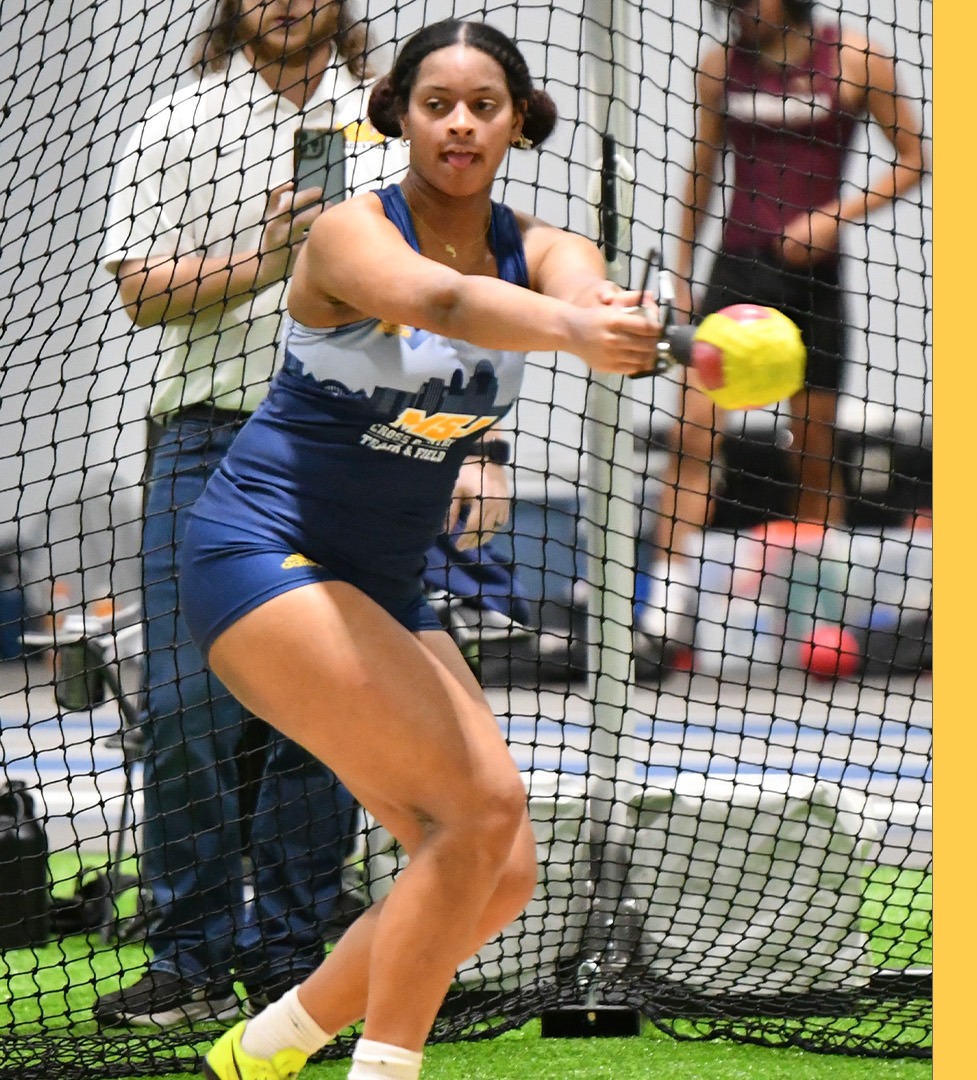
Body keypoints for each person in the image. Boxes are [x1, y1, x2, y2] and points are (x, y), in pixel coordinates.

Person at [179, 18, 660, 1080]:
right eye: (436, 102)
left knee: (501, 866)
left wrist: (618, 320)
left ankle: (266, 1048)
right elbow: (441, 303)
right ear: (395, 113)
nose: (459, 123)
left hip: (386, 584)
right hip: (263, 555)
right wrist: (576, 334)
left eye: (483, 106)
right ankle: (386, 1070)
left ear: (517, 124)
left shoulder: (543, 247)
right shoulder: (350, 234)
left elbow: (579, 294)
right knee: (479, 808)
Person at [94, 0, 402, 1028]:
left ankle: (291, 960)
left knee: (319, 716)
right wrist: (271, 263)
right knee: (187, 704)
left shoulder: (393, 127)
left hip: (347, 446)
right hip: (206, 439)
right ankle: (187, 956)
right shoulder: (177, 122)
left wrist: (475, 446)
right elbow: (140, 293)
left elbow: (443, 298)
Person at [649, 0, 925, 643]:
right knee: (692, 435)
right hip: (736, 273)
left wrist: (837, 216)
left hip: (814, 281)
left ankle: (810, 619)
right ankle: (664, 617)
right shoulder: (721, 65)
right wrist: (682, 276)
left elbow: (916, 159)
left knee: (814, 453)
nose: (740, 9)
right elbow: (702, 172)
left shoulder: (856, 57)